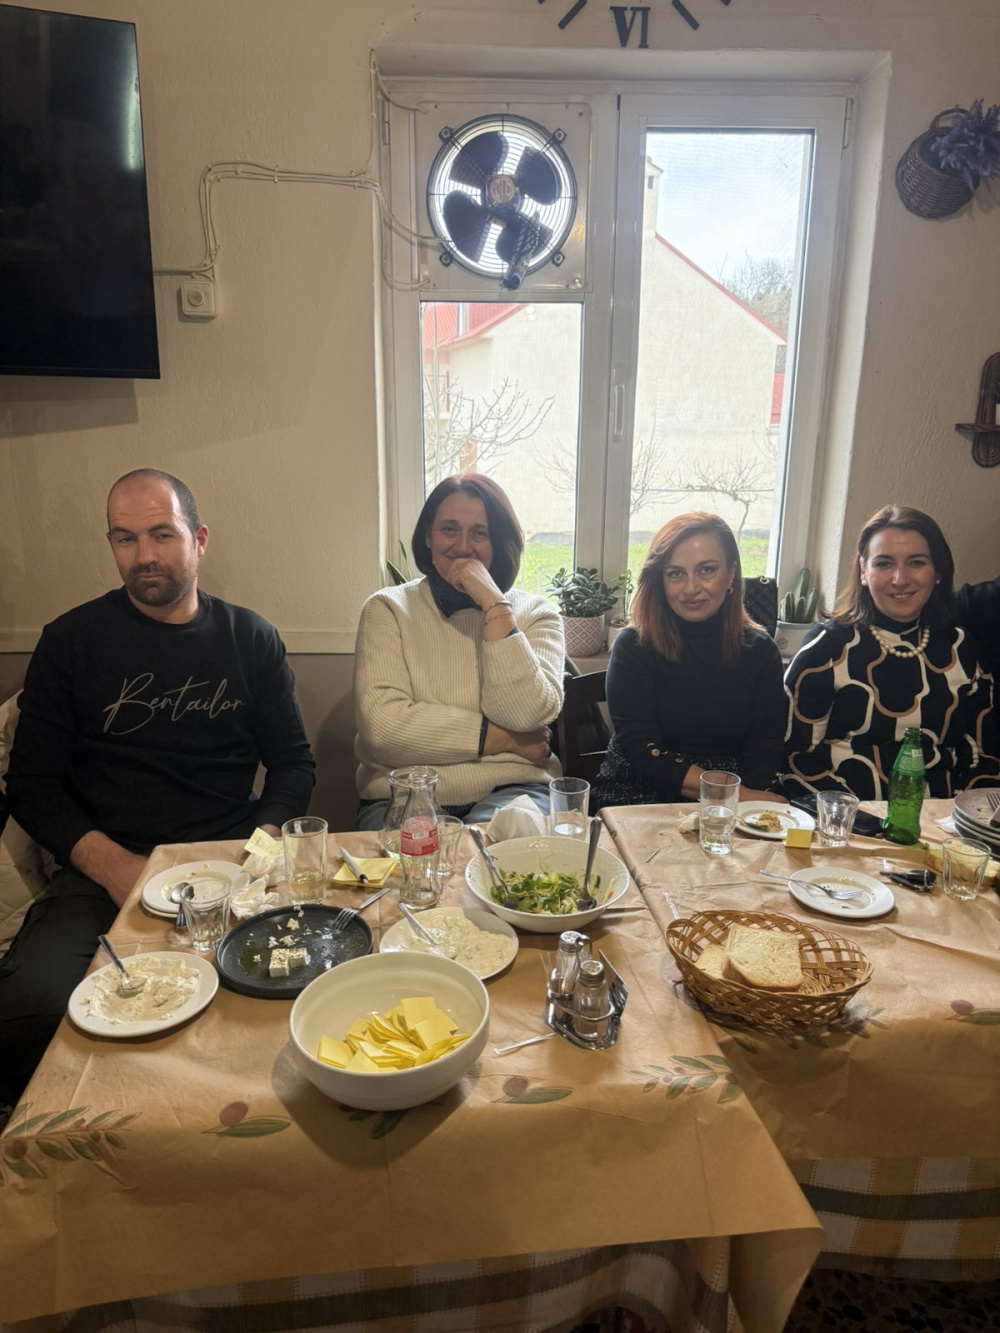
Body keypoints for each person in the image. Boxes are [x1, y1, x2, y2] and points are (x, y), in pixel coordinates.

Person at [0, 469, 315, 1113]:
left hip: (229, 864)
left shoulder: (250, 638)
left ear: (199, 540)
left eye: (162, 534)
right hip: (102, 873)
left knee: (285, 991)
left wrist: (255, 852)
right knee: (28, 1005)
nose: (143, 554)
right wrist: (114, 867)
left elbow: (293, 765)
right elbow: (31, 784)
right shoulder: (70, 641)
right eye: (126, 538)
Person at [354, 474, 564, 827]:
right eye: (449, 529)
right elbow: (383, 729)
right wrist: (503, 740)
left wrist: (494, 606)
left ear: (498, 542)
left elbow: (527, 715)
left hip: (517, 788)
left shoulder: (537, 614)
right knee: (418, 857)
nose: (463, 546)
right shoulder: (387, 609)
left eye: (479, 533)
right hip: (405, 791)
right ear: (428, 537)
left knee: (504, 852)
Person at [783, 504, 999, 799]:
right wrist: (860, 818)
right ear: (864, 572)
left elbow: (983, 760)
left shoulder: (963, 650)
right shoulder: (827, 648)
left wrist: (958, 818)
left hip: (941, 818)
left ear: (938, 572)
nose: (900, 579)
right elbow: (794, 759)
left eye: (916, 563)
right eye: (884, 564)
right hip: (844, 817)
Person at [593, 513, 787, 807]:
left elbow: (765, 749)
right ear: (659, 580)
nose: (691, 589)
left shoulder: (762, 651)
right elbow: (641, 748)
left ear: (731, 575)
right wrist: (735, 796)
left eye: (706, 570)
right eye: (675, 573)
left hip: (740, 786)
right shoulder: (633, 646)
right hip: (639, 786)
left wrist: (739, 803)